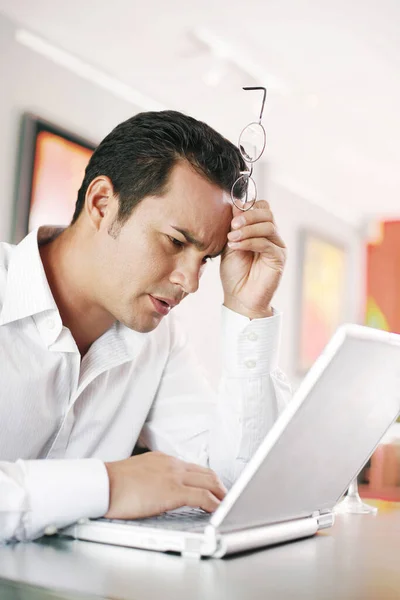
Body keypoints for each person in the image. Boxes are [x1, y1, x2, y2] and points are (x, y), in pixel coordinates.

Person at [0, 110, 290, 543]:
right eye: (175, 242)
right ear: (102, 204)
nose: (190, 283)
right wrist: (107, 485)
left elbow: (234, 485)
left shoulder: (160, 341)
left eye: (206, 260)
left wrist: (248, 309)